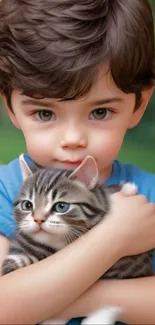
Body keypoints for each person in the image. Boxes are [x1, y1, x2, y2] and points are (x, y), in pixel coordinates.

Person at [0, 0, 155, 324]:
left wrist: (68, 299)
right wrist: (113, 238)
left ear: (139, 105)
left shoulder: (148, 196)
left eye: (100, 112)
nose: (73, 138)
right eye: (44, 113)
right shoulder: (5, 191)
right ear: (11, 109)